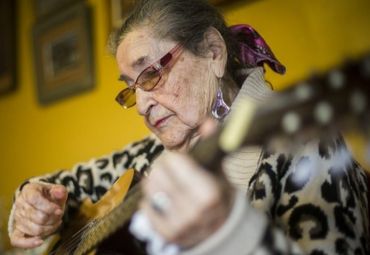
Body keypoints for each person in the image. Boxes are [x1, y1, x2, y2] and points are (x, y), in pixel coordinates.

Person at [8, 0, 369, 254]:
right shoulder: (153, 154)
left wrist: (230, 234)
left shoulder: (305, 145)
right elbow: (64, 186)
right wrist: (33, 202)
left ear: (213, 51)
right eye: (131, 88)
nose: (143, 105)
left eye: (151, 74)